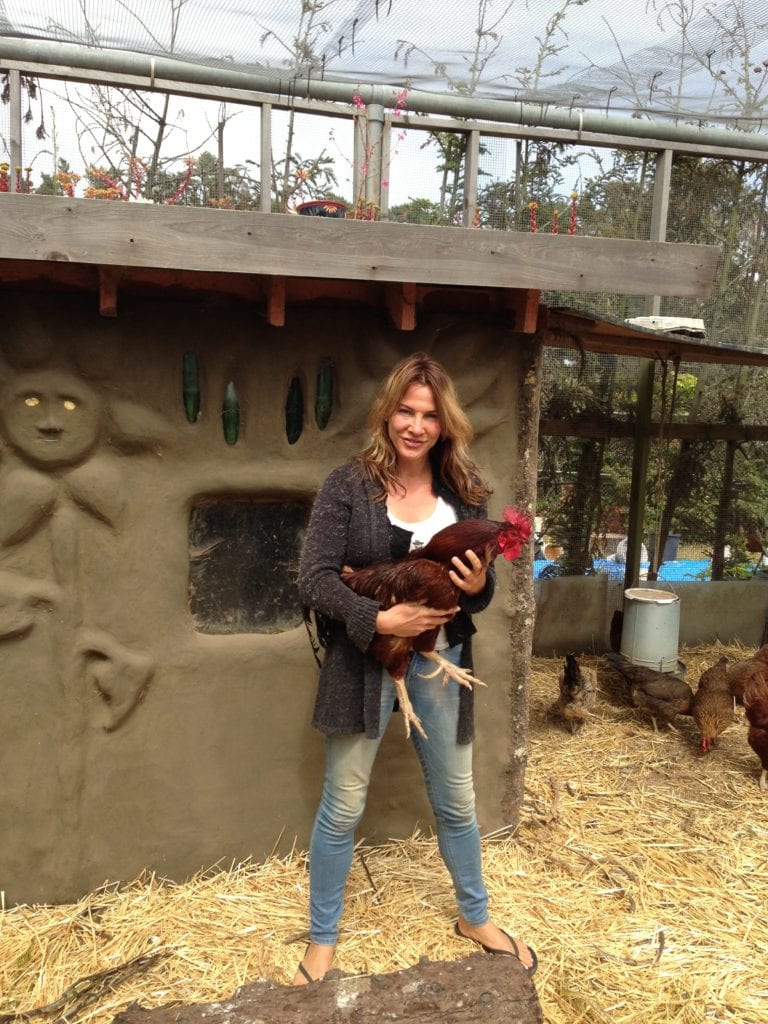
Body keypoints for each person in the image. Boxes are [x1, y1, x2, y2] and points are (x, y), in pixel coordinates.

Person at [294, 351, 537, 985]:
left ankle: (474, 915)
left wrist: (479, 584)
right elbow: (315, 579)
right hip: (362, 663)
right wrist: (377, 621)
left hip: (443, 659)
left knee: (456, 801)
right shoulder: (347, 486)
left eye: (429, 415)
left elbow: (475, 595)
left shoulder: (466, 491)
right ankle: (322, 940)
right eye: (406, 410)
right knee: (343, 806)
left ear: (444, 423)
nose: (416, 425)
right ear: (387, 413)